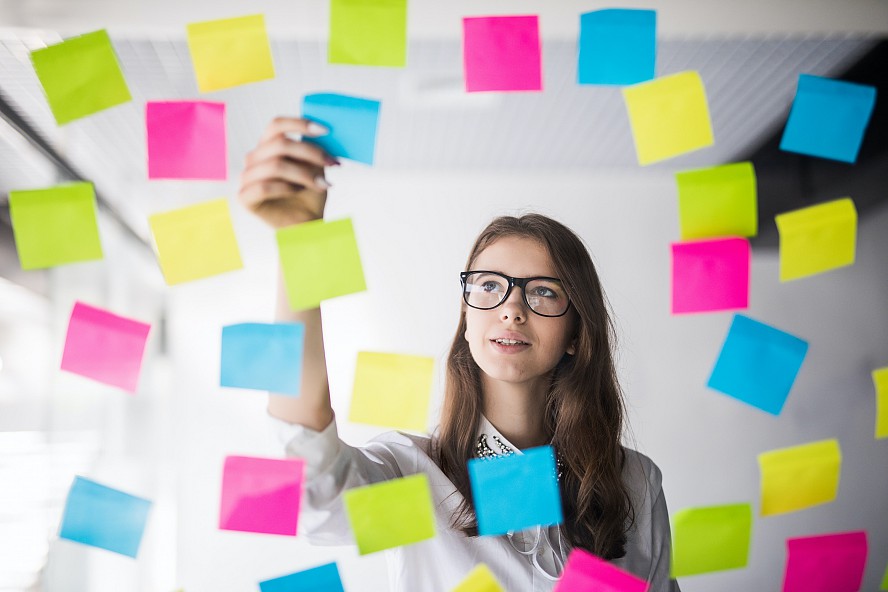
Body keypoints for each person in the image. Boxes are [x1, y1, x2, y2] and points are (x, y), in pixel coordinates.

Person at [238, 116, 681, 592]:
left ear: (577, 331)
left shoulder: (635, 481)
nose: (512, 308)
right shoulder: (413, 473)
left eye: (545, 292)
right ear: (466, 321)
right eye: (489, 286)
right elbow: (312, 492)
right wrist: (298, 240)